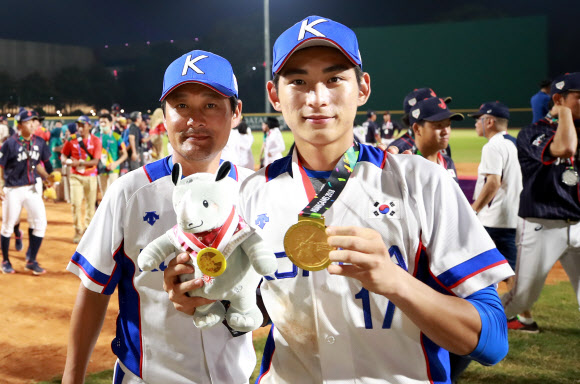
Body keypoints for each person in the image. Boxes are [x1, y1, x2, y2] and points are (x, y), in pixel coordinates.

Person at [165, 16, 513, 383]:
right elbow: (256, 307)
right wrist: (209, 299)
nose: (317, 98)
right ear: (274, 95)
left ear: (362, 88)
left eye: (334, 79)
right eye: (298, 81)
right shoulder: (250, 193)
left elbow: (492, 340)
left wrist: (395, 281)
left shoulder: (421, 182)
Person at [62, 49, 256, 384]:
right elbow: (94, 291)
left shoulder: (257, 192)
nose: (194, 119)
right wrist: (72, 379)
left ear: (235, 112)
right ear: (164, 116)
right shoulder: (130, 191)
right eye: (181, 105)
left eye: (210, 104)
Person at [502, 72, 580, 332]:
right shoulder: (532, 133)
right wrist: (565, 113)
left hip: (578, 224)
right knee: (522, 298)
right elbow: (566, 148)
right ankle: (468, 325)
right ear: (558, 99)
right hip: (542, 224)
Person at [0, 109, 54, 275]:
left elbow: (38, 163)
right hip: (13, 189)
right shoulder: (10, 143)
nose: (33, 124)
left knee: (40, 223)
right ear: (20, 124)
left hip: (31, 188)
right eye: (29, 121)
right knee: (8, 226)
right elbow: (1, 165)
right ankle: (6, 261)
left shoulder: (39, 141)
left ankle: (31, 259)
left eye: (34, 121)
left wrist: (48, 178)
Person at [470, 101, 521, 273]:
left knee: (478, 270)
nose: (476, 123)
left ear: (490, 122)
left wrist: (474, 209)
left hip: (494, 221)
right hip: (515, 218)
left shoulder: (493, 146)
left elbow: (493, 182)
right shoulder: (516, 143)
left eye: (479, 119)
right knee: (511, 270)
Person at [61, 115, 102, 244]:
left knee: (91, 206)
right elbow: (63, 155)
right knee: (76, 204)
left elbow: (95, 161)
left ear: (89, 126)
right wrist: (67, 161)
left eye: (82, 125)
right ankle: (78, 230)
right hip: (75, 176)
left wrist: (79, 163)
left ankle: (87, 231)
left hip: (91, 176)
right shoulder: (71, 139)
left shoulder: (96, 140)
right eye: (78, 125)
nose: (79, 128)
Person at [408, 97, 462, 181]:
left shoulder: (448, 162)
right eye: (439, 125)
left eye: (448, 125)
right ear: (417, 129)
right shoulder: (407, 166)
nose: (446, 132)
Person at [95, 113, 128, 196]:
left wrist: (115, 163)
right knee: (104, 194)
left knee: (112, 193)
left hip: (114, 168)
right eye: (100, 122)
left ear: (110, 123)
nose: (102, 124)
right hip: (101, 168)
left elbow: (125, 154)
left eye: (104, 122)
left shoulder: (116, 136)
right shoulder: (95, 137)